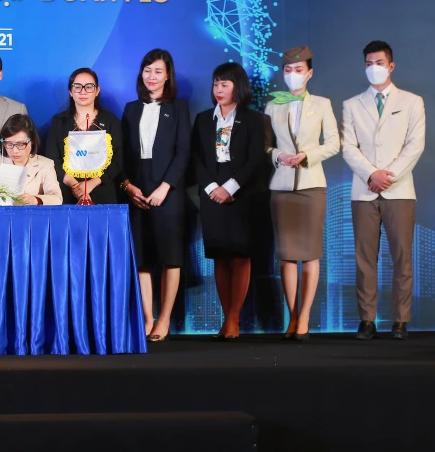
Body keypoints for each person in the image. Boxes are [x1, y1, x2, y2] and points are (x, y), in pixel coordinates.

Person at [342, 41, 425, 341]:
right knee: (365, 259)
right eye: (368, 64)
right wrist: (371, 174)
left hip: (399, 190)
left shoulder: (412, 101)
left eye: (378, 63)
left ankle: (401, 320)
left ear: (391, 66)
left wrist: (387, 176)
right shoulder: (352, 104)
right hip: (364, 190)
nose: (373, 68)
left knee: (402, 257)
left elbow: (415, 145)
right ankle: (367, 319)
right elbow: (348, 147)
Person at [264, 46, 340, 341]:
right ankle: (292, 315)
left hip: (312, 185)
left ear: (310, 73)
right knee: (286, 256)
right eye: (288, 70)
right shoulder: (273, 105)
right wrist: (279, 156)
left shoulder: (321, 104)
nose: (292, 75)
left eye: (298, 70)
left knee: (309, 254)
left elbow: (333, 143)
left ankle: (305, 315)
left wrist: (307, 155)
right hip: (281, 186)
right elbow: (265, 145)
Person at [190, 62, 266, 340]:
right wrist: (213, 187)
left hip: (243, 191)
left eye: (225, 84)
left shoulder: (254, 119)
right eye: (215, 84)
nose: (218, 89)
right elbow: (195, 158)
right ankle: (227, 318)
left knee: (241, 255)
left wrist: (231, 187)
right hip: (211, 191)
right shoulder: (202, 119)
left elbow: (255, 160)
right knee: (219, 256)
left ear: (238, 87)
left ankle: (233, 319)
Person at [120, 49, 191, 342]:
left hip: (168, 191)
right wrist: (127, 186)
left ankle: (164, 319)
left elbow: (184, 151)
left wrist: (166, 187)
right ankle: (147, 318)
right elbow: (121, 153)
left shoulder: (179, 108)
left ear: (168, 75)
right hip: (137, 190)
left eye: (158, 71)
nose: (152, 76)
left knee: (170, 257)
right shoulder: (130, 109)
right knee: (141, 258)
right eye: (147, 70)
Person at [45, 68, 123, 205]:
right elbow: (52, 159)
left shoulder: (111, 122)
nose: (83, 91)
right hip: (69, 193)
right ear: (70, 91)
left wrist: (91, 184)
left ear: (97, 91)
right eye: (77, 87)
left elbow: (118, 160)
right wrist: (75, 186)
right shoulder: (59, 122)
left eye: (89, 87)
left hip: (102, 191)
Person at [0, 114, 63, 205]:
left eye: (21, 144)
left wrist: (35, 200)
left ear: (32, 141)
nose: (15, 151)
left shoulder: (45, 165)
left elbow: (57, 198)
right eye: (9, 144)